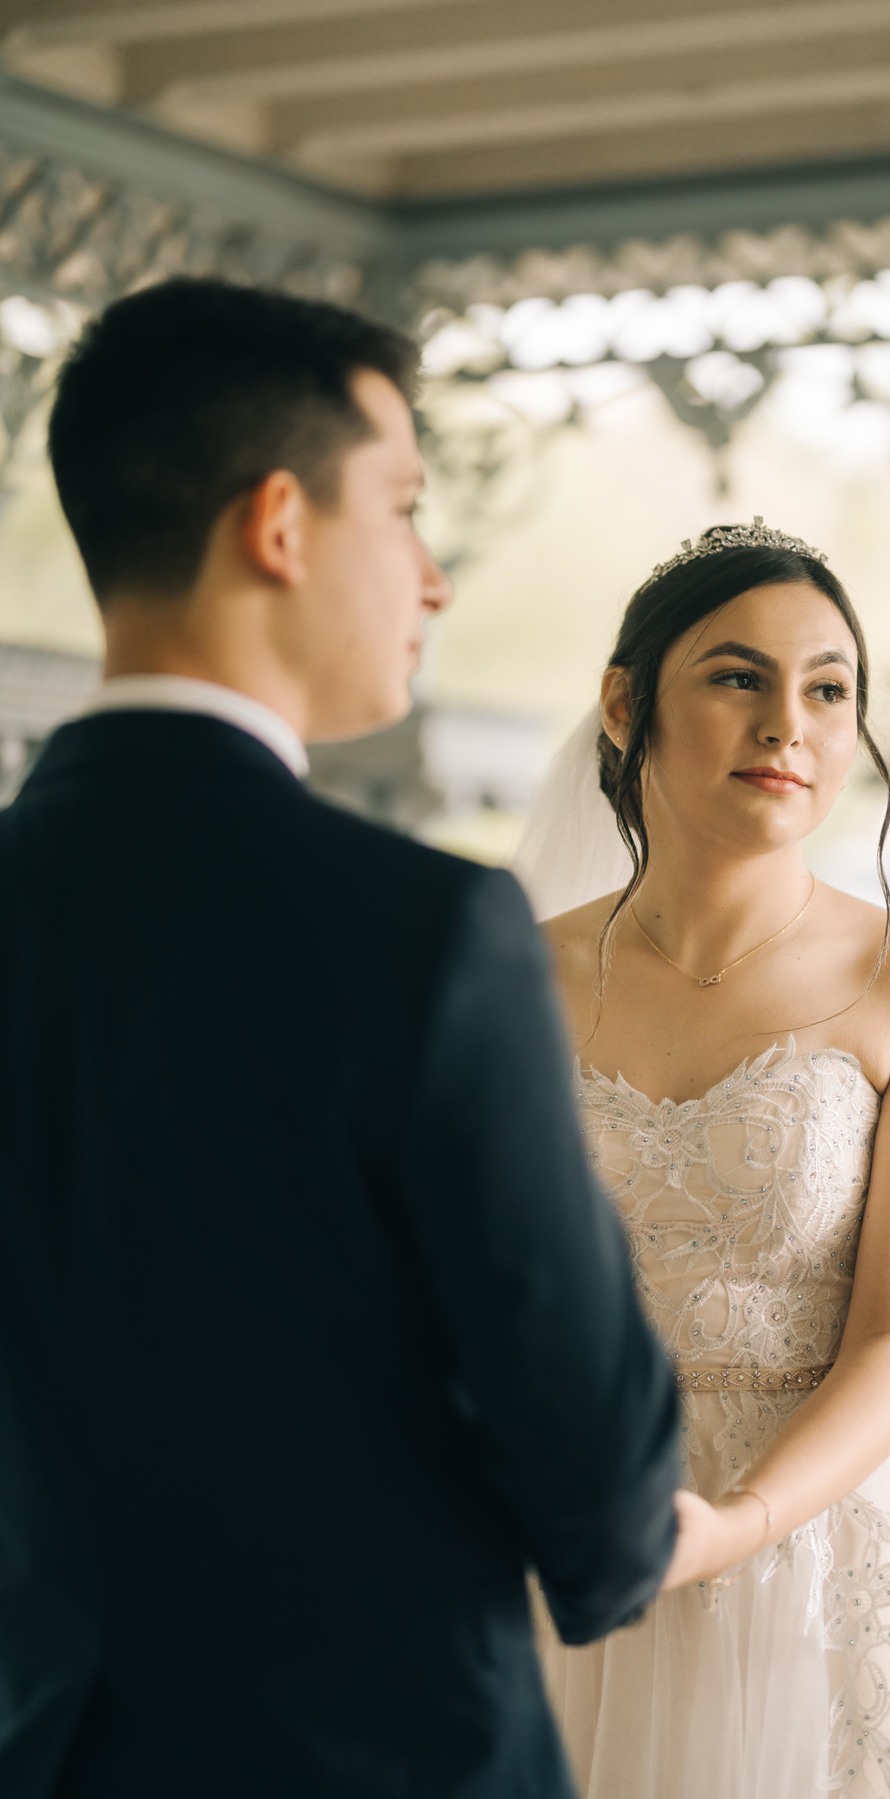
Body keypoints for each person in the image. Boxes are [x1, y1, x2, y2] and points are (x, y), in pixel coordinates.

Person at [0, 276, 679, 1799]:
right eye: (406, 506)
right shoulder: (423, 929)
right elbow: (608, 1487)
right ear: (280, 525)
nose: (433, 576)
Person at [519, 521, 890, 1797]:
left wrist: (733, 1527)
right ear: (626, 705)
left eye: (830, 689)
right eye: (738, 677)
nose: (791, 724)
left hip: (830, 1559)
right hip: (567, 1540)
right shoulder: (504, 968)